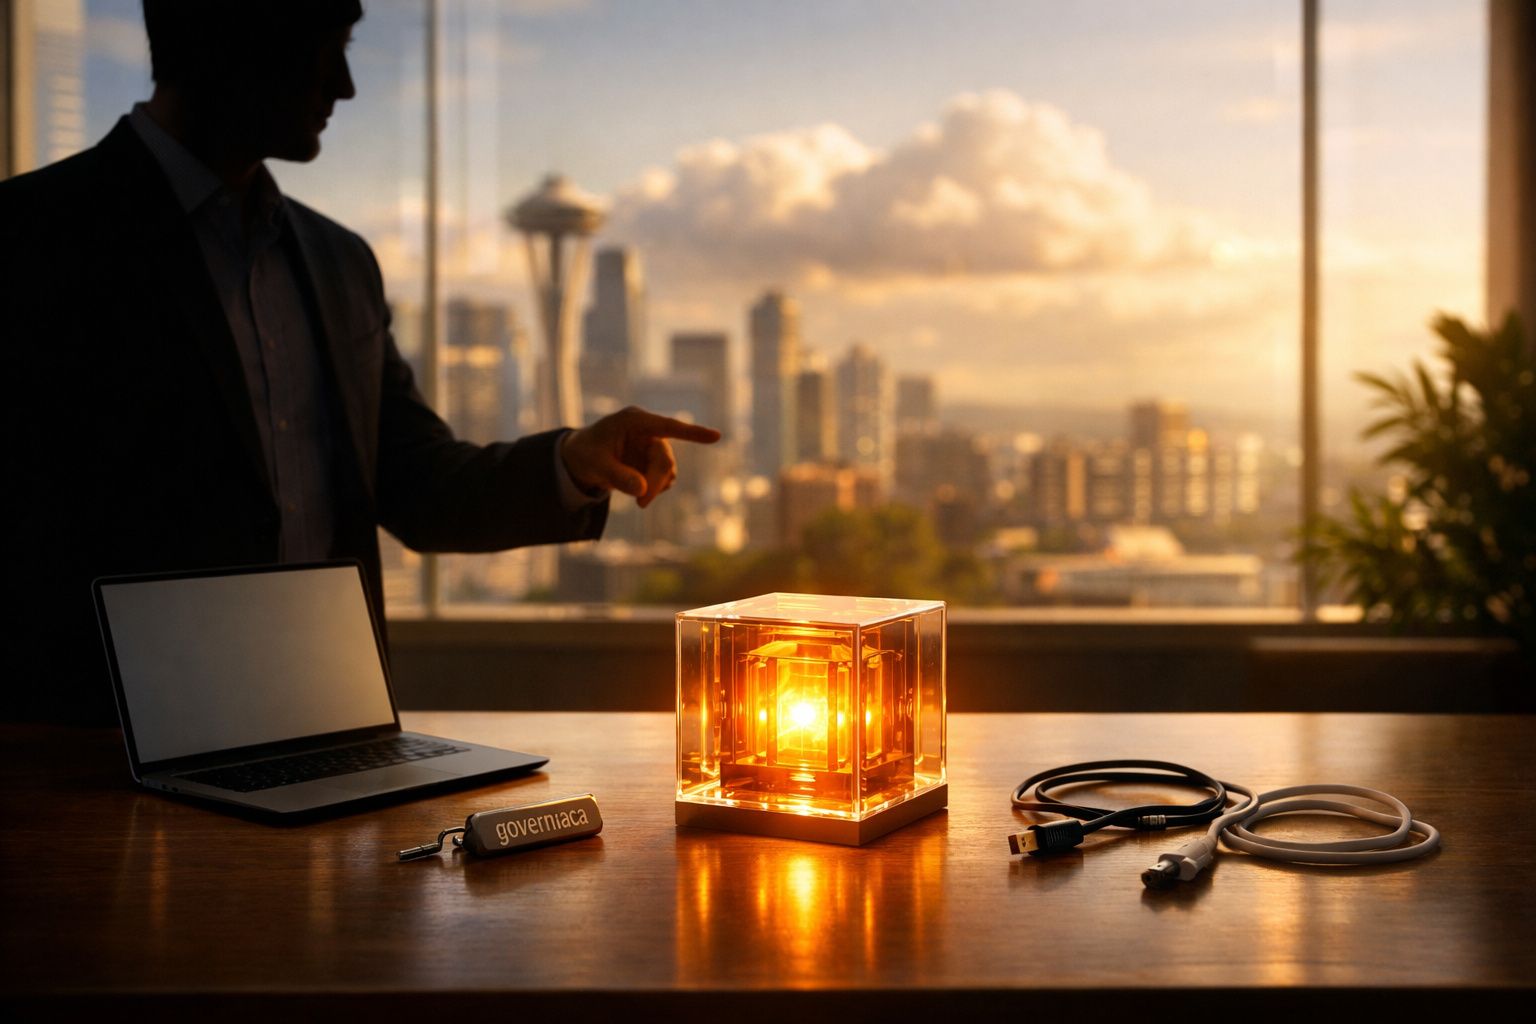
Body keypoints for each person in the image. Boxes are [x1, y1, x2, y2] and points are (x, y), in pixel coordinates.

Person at [0, 0, 719, 723]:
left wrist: (571, 463)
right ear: (228, 36)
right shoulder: (31, 241)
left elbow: (418, 485)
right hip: (91, 761)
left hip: (329, 734)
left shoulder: (339, 264)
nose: (343, 85)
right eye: (324, 46)